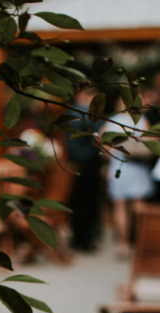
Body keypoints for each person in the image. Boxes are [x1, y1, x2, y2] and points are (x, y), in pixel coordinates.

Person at [103, 100, 154, 258]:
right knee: (139, 205)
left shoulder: (112, 122)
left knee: (120, 206)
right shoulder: (142, 121)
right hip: (137, 167)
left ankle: (123, 244)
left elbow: (105, 149)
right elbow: (150, 144)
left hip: (119, 167)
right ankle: (142, 242)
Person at [66, 87, 103, 252]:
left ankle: (78, 238)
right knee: (88, 203)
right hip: (88, 164)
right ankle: (86, 240)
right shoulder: (86, 115)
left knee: (78, 202)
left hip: (74, 164)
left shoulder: (69, 114)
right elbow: (98, 138)